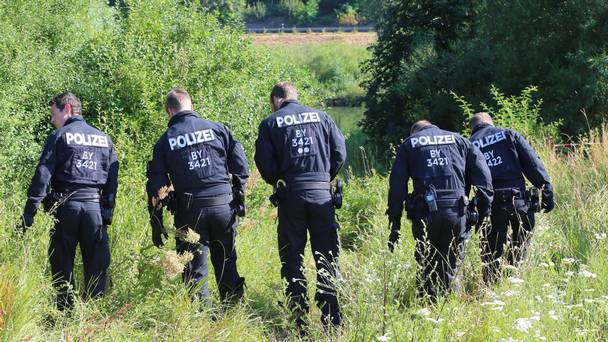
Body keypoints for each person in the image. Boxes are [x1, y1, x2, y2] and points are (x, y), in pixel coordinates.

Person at [254, 82, 346, 330]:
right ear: (295, 96)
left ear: (275, 100)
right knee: (327, 257)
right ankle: (333, 321)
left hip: (291, 196)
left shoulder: (270, 123)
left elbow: (265, 164)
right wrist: (324, 177)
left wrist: (279, 180)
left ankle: (299, 322)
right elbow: (339, 153)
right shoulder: (323, 117)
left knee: (292, 258)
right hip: (322, 195)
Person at [146, 88, 248, 303]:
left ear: (169, 111)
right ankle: (232, 310)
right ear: (192, 107)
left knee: (194, 270)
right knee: (227, 261)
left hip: (190, 211)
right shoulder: (218, 129)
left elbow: (157, 184)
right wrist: (238, 193)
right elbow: (240, 163)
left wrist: (156, 221)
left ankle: (202, 318)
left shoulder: (165, 141)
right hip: (223, 205)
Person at [19, 92, 119, 310]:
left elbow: (43, 175)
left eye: (53, 113)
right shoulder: (104, 138)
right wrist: (107, 210)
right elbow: (112, 178)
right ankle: (93, 312)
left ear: (66, 109)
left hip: (65, 208)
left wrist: (29, 213)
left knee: (62, 262)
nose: (52, 119)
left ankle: (64, 311)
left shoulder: (60, 136)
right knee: (97, 263)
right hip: (94, 208)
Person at [386, 120, 493, 300]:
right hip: (457, 211)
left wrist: (394, 222)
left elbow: (397, 186)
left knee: (426, 262)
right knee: (452, 262)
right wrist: (484, 211)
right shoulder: (460, 140)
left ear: (415, 132)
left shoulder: (409, 144)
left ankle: (427, 306)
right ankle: (452, 306)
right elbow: (484, 177)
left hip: (424, 214)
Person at [469, 112, 554, 284]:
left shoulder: (468, 144)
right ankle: (512, 279)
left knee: (490, 254)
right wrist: (546, 189)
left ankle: (491, 289)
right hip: (519, 201)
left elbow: (463, 178)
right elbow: (533, 163)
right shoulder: (509, 134)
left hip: (490, 205)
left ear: (472, 128)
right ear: (490, 123)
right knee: (520, 245)